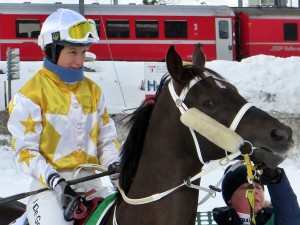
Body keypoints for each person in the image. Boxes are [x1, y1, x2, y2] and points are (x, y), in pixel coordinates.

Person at [7, 8, 120, 225]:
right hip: (49, 188)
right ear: (52, 50)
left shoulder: (94, 91)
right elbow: (24, 152)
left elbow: (106, 141)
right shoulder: (30, 94)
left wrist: (114, 165)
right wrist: (56, 181)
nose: (80, 60)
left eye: (84, 52)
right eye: (72, 52)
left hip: (95, 184)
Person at [212, 164, 300, 225]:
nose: (254, 191)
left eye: (258, 187)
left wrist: (275, 178)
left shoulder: (277, 219)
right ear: (230, 199)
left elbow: (291, 218)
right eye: (247, 187)